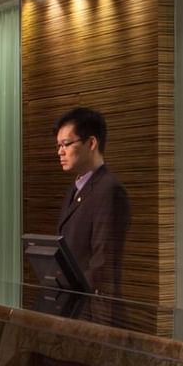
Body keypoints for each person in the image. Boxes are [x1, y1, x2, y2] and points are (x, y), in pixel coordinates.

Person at [54, 106, 131, 295]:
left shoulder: (110, 190)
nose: (60, 152)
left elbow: (102, 265)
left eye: (66, 144)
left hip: (91, 309)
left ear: (91, 143)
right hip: (70, 303)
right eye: (58, 146)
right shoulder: (75, 188)